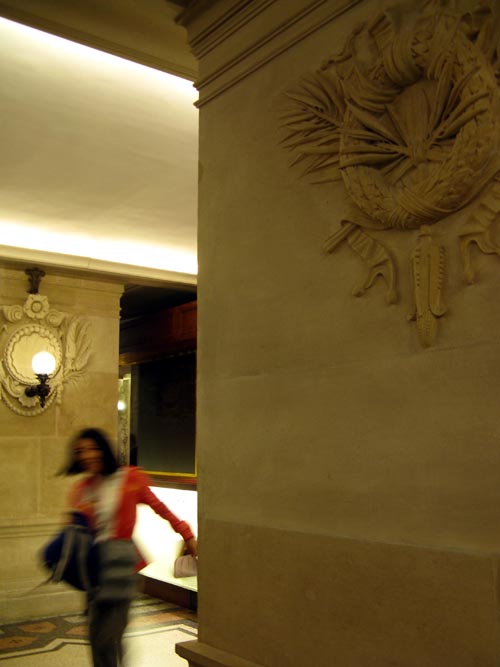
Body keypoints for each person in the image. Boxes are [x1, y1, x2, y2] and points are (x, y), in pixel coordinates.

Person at [62, 427, 197, 667]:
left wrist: (187, 535)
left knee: (109, 633)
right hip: (94, 567)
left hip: (121, 565)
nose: (87, 455)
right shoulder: (82, 488)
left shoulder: (130, 479)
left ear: (104, 449)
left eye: (92, 448)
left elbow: (161, 508)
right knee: (96, 633)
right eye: (81, 451)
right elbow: (77, 528)